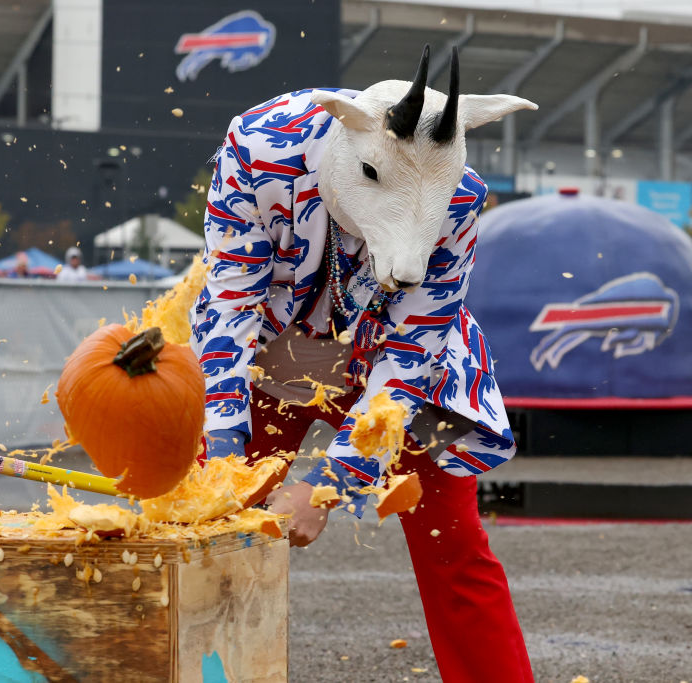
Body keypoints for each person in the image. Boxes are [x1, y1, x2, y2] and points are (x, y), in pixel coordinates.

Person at [193, 48, 536, 681]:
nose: (411, 253)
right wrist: (221, 445)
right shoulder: (257, 149)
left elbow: (412, 350)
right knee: (206, 526)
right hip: (280, 354)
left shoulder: (460, 198)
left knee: (453, 543)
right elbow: (230, 304)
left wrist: (330, 488)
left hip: (412, 366)